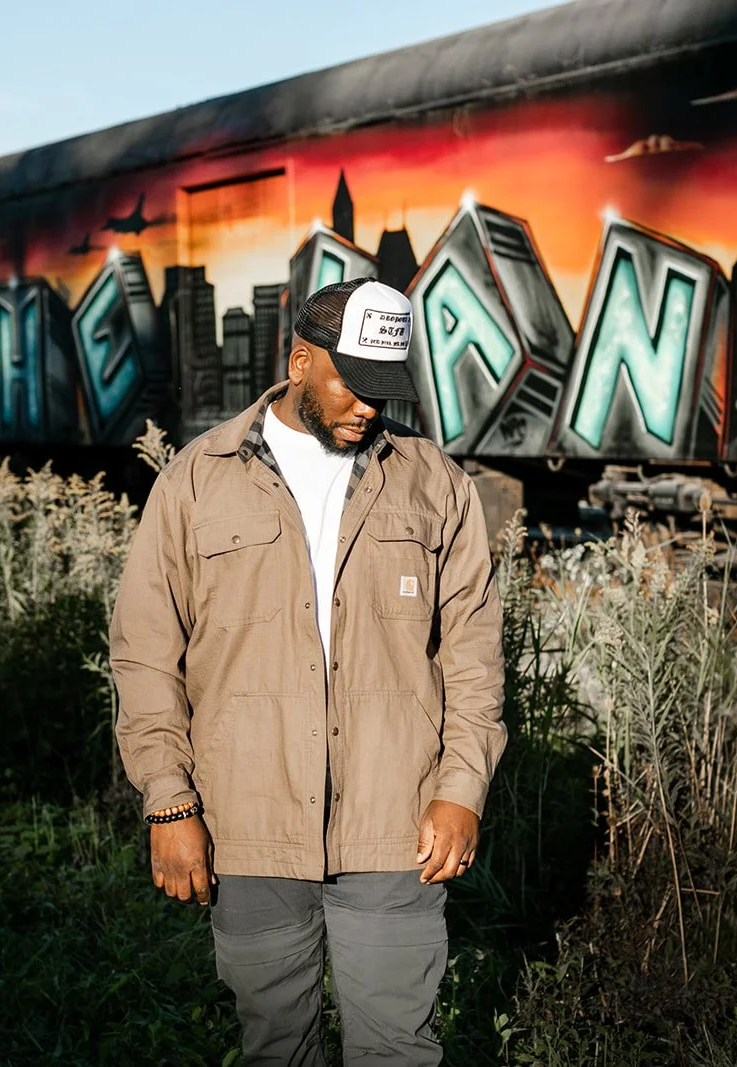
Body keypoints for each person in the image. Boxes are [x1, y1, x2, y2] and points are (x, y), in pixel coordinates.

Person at [110, 277, 507, 1065]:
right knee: (275, 1050)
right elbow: (147, 650)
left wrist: (461, 788)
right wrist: (167, 800)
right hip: (246, 823)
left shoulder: (436, 487)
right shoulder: (197, 479)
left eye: (387, 390)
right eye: (355, 386)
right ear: (299, 362)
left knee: (398, 1049)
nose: (370, 407)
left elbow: (473, 654)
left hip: (397, 827)